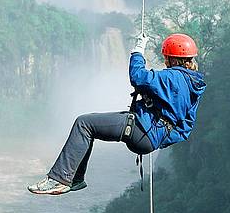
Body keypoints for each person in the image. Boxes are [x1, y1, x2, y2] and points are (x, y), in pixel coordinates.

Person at [28, 32, 206, 195]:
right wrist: (159, 139)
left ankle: (61, 179)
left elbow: (138, 76)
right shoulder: (193, 85)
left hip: (141, 130)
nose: (165, 61)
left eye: (166, 58)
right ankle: (75, 179)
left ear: (173, 60)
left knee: (84, 124)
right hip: (149, 137)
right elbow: (186, 128)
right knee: (91, 126)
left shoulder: (171, 77)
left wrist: (138, 52)